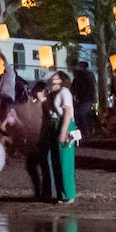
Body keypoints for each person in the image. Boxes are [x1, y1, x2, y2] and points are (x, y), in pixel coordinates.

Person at [44, 70, 79, 204]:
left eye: (55, 78)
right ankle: (60, 193)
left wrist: (63, 131)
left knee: (65, 161)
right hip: (55, 125)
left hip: (64, 124)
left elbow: (68, 112)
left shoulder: (65, 92)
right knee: (56, 161)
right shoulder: (53, 94)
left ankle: (68, 194)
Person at [69, 61, 97, 138]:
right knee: (87, 115)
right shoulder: (90, 75)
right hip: (90, 98)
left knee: (80, 115)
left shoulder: (79, 76)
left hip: (84, 99)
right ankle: (89, 131)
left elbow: (74, 88)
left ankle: (84, 133)